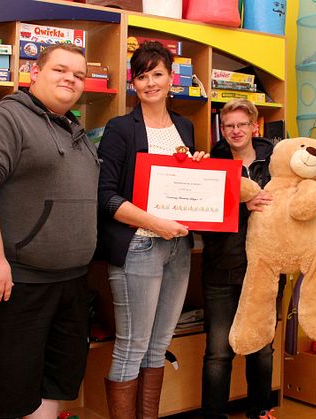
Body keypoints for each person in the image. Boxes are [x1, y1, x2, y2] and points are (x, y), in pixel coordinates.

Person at [0, 43, 99, 419]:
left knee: (51, 387)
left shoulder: (76, 132)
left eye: (79, 74)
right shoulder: (4, 119)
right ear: (33, 73)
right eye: (60, 70)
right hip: (13, 286)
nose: (71, 78)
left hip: (69, 284)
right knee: (1, 397)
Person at [97, 41, 207, 418]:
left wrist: (198, 168)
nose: (150, 83)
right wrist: (154, 223)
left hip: (179, 249)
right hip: (138, 247)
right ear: (133, 83)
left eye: (157, 74)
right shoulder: (120, 129)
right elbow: (104, 196)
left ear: (171, 77)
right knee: (131, 348)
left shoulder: (185, 126)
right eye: (141, 76)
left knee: (158, 346)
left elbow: (185, 187)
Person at [201, 99, 284, 419]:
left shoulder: (278, 162)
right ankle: (213, 414)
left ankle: (260, 411)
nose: (235, 131)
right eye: (228, 126)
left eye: (241, 125)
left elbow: (307, 205)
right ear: (221, 130)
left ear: (255, 127)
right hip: (220, 269)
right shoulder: (211, 164)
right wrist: (241, 204)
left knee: (262, 349)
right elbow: (201, 219)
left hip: (265, 270)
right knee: (218, 352)